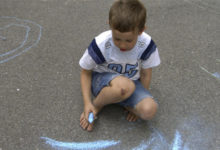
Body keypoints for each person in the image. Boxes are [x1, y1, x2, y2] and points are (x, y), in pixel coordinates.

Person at [79, 0, 160, 131]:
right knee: (124, 87)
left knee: (149, 110)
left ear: (141, 31)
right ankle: (97, 105)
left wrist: (139, 99)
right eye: (117, 38)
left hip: (130, 83)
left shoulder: (146, 45)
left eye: (128, 40)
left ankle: (117, 98)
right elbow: (85, 72)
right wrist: (88, 103)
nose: (122, 45)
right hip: (102, 80)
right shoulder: (102, 44)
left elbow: (145, 73)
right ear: (110, 25)